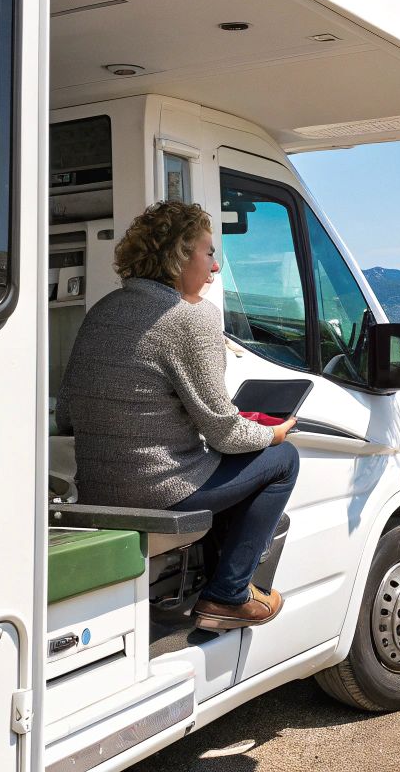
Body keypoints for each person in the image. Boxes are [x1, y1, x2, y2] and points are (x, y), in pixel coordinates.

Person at [54, 200, 300, 631]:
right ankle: (228, 596)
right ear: (180, 255)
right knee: (282, 462)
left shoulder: (103, 311)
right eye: (208, 253)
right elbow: (224, 433)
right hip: (161, 491)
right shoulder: (191, 318)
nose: (216, 267)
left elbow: (69, 415)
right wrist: (275, 434)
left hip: (97, 489)